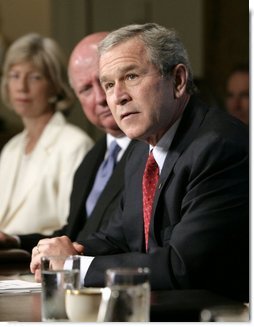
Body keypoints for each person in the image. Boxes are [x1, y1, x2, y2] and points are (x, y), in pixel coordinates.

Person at [31, 24, 248, 302]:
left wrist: (74, 266)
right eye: (109, 84)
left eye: (131, 76)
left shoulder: (221, 147)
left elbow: (182, 266)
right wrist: (62, 251)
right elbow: (118, 237)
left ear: (178, 80)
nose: (117, 97)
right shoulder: (139, 151)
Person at [0, 32, 135, 254]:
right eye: (86, 89)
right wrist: (14, 240)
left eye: (106, 82)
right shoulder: (96, 155)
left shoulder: (79, 144)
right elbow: (71, 234)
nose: (102, 97)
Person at [0, 33, 94, 235]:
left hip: (39, 261)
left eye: (35, 77)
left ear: (56, 85)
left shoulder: (74, 144)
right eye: (15, 76)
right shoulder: (11, 149)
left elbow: (70, 228)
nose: (22, 87)